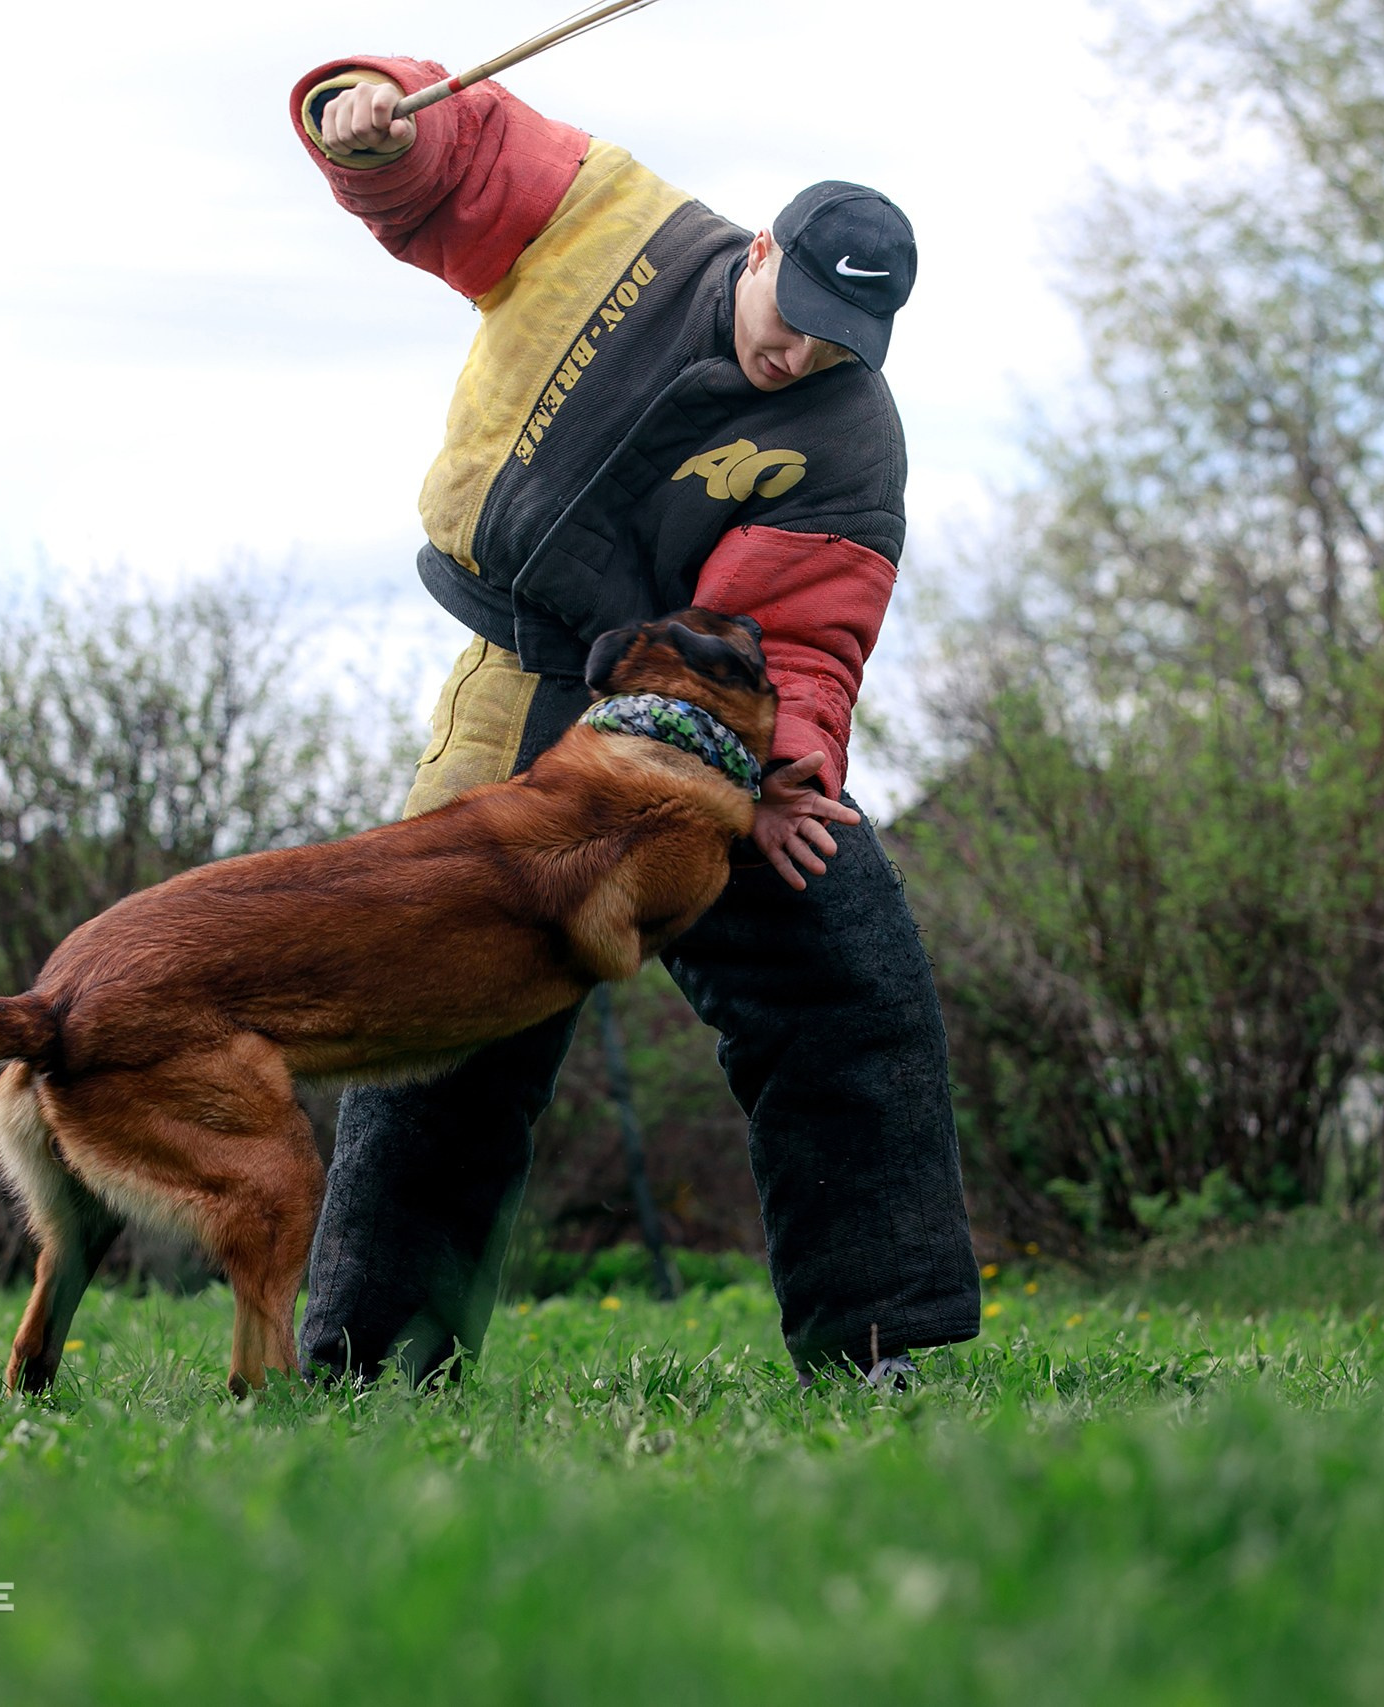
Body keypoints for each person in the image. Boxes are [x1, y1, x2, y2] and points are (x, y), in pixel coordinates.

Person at [288, 54, 978, 1385]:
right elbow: (463, 152)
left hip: (704, 733)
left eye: (842, 341)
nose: (803, 352)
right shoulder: (614, 220)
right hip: (521, 691)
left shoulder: (849, 437)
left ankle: (879, 1348)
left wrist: (785, 778)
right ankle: (375, 1360)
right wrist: (367, 121)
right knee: (451, 1004)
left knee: (849, 959)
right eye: (799, 313)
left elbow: (805, 629)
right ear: (763, 245)